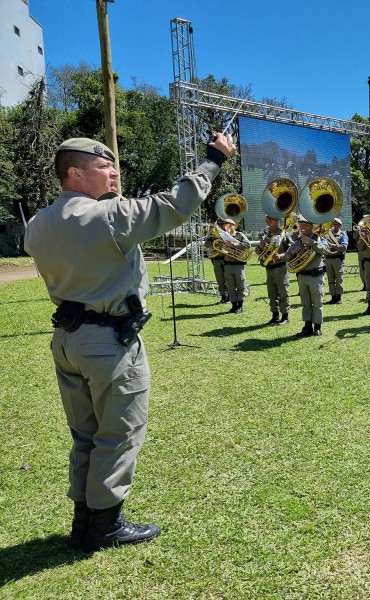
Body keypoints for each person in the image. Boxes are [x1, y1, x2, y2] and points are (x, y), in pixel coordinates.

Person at [24, 133, 235, 551]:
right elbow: (173, 205)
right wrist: (213, 160)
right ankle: (105, 524)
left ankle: (83, 518)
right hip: (110, 342)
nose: (114, 172)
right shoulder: (108, 217)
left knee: (84, 432)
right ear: (75, 173)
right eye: (105, 167)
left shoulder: (38, 224)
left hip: (67, 340)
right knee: (118, 432)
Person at [274, 213, 332, 336]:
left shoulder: (319, 238)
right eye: (301, 225)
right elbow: (289, 254)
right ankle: (307, 326)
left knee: (317, 303)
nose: (302, 228)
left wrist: (311, 242)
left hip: (316, 276)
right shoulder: (298, 241)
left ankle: (317, 327)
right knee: (305, 303)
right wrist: (280, 256)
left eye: (305, 225)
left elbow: (326, 250)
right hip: (302, 276)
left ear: (311, 226)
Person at [259, 215, 291, 325]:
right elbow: (258, 252)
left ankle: (285, 316)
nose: (268, 223)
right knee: (272, 293)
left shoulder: (284, 234)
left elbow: (292, 251)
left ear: (277, 221)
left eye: (271, 221)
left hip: (281, 267)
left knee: (283, 292)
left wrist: (281, 256)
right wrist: (260, 246)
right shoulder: (266, 235)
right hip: (269, 267)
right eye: (267, 221)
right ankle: (275, 316)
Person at [219, 218, 251, 314]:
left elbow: (247, 244)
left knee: (240, 285)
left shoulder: (239, 235)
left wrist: (234, 245)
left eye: (229, 224)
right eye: (225, 225)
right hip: (227, 264)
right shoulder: (223, 236)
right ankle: (234, 306)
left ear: (234, 225)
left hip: (238, 264)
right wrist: (222, 246)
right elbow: (219, 247)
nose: (227, 226)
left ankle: (240, 306)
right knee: (230, 286)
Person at [324, 217, 348, 304]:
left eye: (335, 224)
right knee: (330, 279)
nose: (333, 226)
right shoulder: (326, 234)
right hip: (328, 259)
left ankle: (339, 297)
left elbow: (344, 247)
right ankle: (333, 297)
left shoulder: (343, 235)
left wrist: (332, 245)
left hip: (337, 259)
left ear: (340, 225)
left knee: (338, 279)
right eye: (332, 224)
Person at [206, 218, 229, 304]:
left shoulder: (228, 234)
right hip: (216, 259)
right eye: (218, 223)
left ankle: (230, 296)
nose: (220, 225)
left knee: (228, 279)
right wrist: (214, 242)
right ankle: (223, 296)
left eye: (222, 223)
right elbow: (206, 244)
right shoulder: (212, 235)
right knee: (220, 280)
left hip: (226, 258)